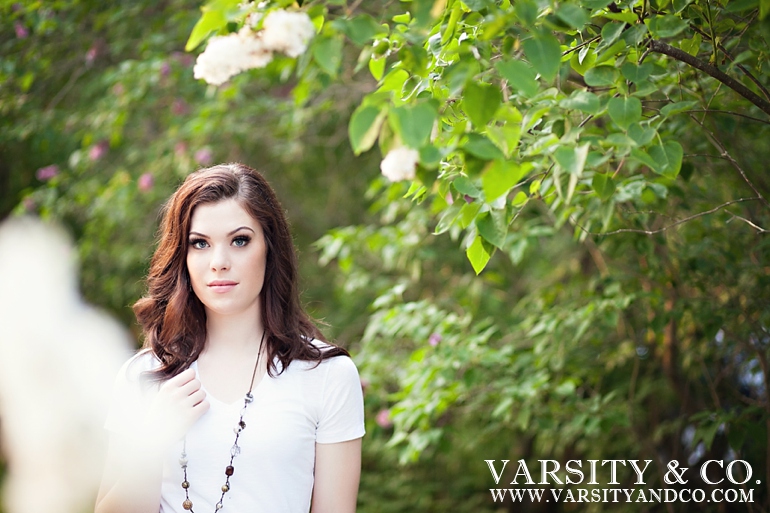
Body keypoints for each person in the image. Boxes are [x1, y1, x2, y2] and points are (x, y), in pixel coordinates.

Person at [95, 163, 365, 513]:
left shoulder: (327, 375)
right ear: (183, 257)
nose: (219, 262)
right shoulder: (144, 375)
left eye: (240, 241)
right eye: (200, 244)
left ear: (270, 248)